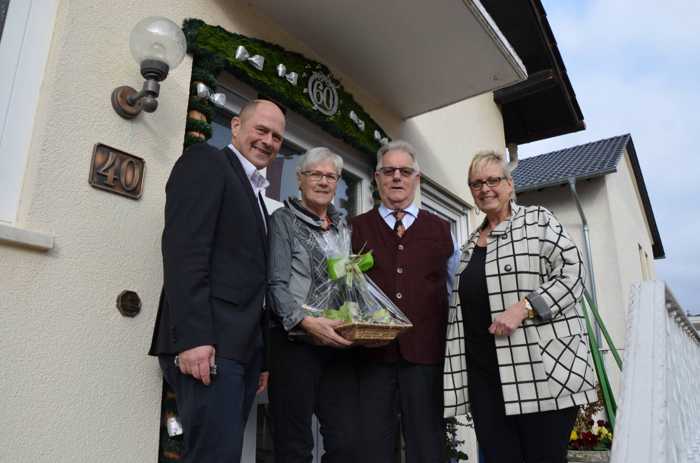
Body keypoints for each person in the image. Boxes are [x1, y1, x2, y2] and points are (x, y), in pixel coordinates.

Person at [149, 99, 286, 463]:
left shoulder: (258, 195)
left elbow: (253, 279)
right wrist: (194, 338)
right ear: (237, 126)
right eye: (261, 130)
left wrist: (262, 357)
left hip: (241, 350)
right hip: (210, 343)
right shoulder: (206, 163)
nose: (269, 141)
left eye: (277, 137)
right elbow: (185, 251)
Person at [443, 150, 598, 463]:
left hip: (542, 372)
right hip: (485, 380)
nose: (485, 189)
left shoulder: (537, 220)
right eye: (476, 183)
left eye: (493, 180)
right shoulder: (470, 245)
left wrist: (527, 306)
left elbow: (574, 271)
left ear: (510, 185)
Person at [350, 140, 458, 463]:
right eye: (389, 171)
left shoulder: (441, 230)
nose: (397, 177)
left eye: (405, 171)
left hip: (426, 359)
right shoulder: (355, 228)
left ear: (417, 179)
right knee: (372, 448)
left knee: (428, 448)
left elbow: (454, 293)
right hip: (370, 360)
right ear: (377, 178)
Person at [267, 147, 358, 463]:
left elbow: (348, 283)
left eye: (330, 176)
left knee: (346, 440)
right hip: (295, 344)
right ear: (300, 179)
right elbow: (275, 284)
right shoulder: (283, 220)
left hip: (336, 344)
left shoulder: (342, 227)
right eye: (315, 174)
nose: (323, 181)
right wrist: (304, 321)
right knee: (293, 444)